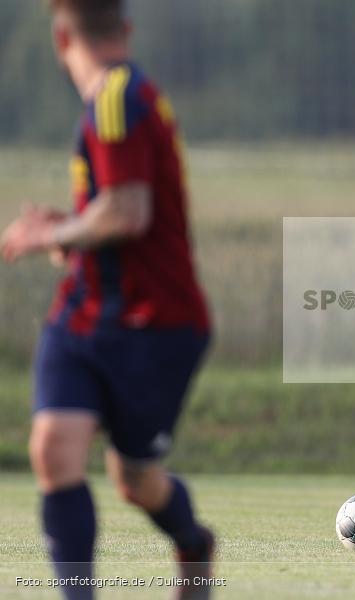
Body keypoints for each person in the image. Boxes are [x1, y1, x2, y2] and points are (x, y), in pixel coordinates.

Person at [1, 1, 215, 597]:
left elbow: (126, 211)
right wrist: (71, 226)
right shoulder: (116, 96)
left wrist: (50, 233)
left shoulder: (118, 95)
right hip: (86, 316)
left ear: (59, 35)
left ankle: (193, 543)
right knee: (53, 448)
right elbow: (113, 211)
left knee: (135, 479)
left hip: (158, 322)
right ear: (125, 28)